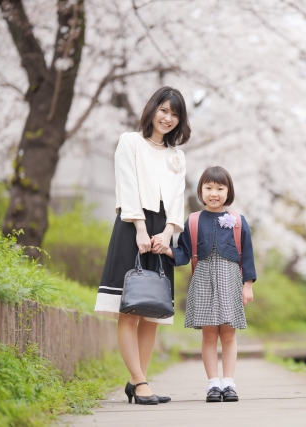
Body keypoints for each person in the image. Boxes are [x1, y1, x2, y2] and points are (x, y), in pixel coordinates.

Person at [94, 87, 190, 405]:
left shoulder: (177, 157)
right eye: (164, 110)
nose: (168, 118)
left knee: (152, 312)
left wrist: (168, 233)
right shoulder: (130, 142)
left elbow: (177, 199)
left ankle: (140, 382)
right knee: (130, 308)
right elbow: (127, 184)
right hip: (131, 225)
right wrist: (139, 227)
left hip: (162, 232)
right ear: (152, 110)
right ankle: (140, 381)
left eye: (175, 114)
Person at [166, 166, 256, 403]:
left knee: (228, 335)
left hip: (230, 281)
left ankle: (229, 383)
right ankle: (213, 384)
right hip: (204, 280)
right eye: (208, 188)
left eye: (219, 188)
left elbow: (246, 254)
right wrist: (168, 250)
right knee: (208, 336)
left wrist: (248, 285)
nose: (213, 193)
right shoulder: (193, 220)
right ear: (201, 191)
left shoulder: (237, 220)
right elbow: (184, 253)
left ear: (228, 192)